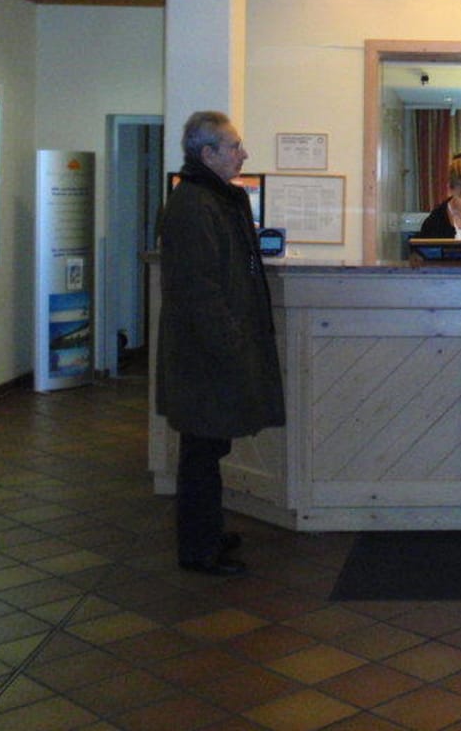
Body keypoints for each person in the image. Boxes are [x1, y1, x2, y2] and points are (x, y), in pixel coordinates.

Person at [156, 111, 286, 577]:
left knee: (210, 448)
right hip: (205, 356)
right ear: (207, 153)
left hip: (213, 351)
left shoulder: (215, 199)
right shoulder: (194, 206)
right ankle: (199, 548)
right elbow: (200, 291)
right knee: (201, 451)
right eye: (234, 147)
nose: (243, 154)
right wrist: (232, 345)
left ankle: (207, 532)